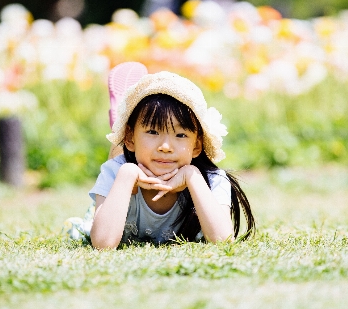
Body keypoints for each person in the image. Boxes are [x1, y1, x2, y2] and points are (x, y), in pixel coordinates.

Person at [83, 62, 255, 249]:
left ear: (197, 146)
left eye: (180, 135)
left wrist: (192, 176)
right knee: (120, 160)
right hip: (114, 194)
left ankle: (129, 119)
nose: (165, 147)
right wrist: (127, 174)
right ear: (130, 138)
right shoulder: (116, 172)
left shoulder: (212, 179)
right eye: (153, 132)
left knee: (135, 153)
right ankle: (122, 122)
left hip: (140, 148)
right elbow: (103, 244)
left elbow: (223, 240)